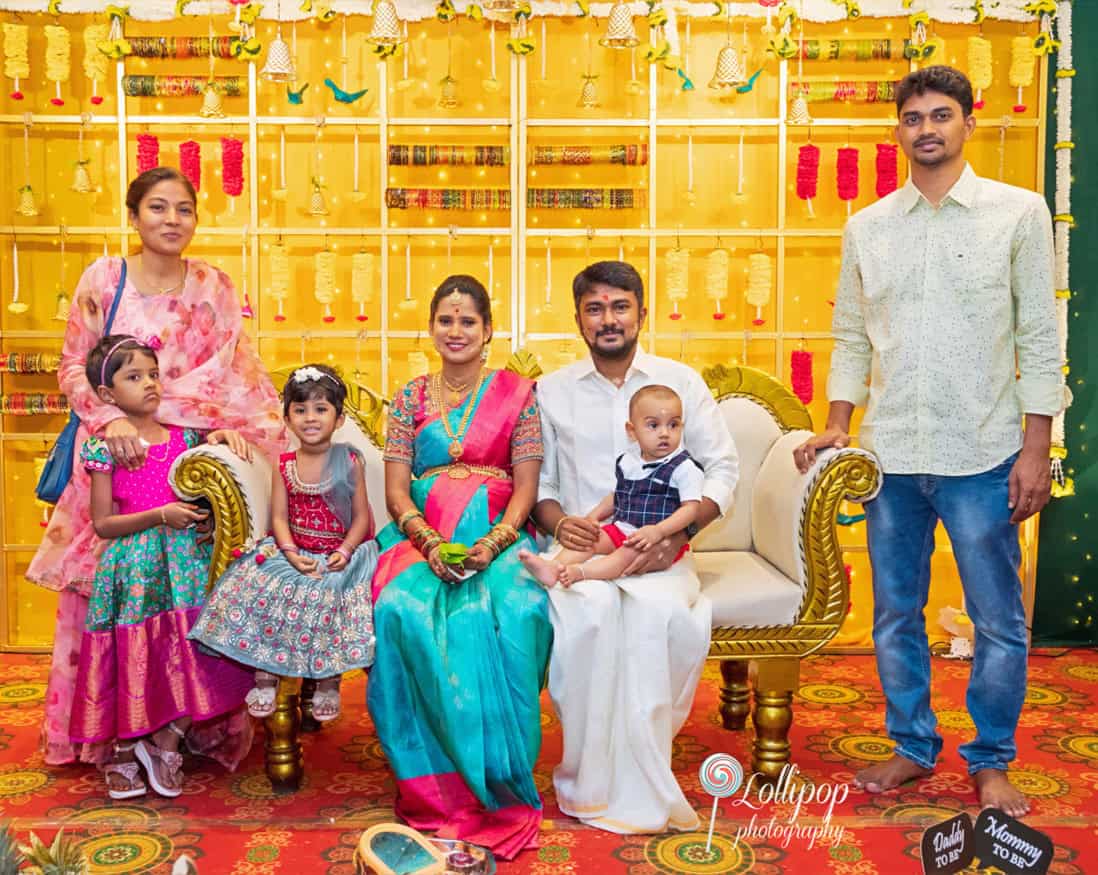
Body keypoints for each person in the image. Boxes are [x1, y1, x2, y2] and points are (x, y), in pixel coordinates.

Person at [793, 66, 1065, 819]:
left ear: (968, 123)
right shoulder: (869, 226)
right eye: (913, 118)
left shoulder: (1018, 213)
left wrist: (1037, 448)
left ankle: (990, 761)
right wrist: (840, 426)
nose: (927, 129)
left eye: (941, 115)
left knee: (999, 619)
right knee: (893, 614)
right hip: (892, 460)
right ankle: (913, 744)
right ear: (899, 130)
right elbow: (849, 335)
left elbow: (1041, 337)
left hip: (983, 452)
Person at [28, 166, 285, 767]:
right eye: (158, 208)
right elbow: (73, 366)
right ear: (134, 215)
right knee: (108, 598)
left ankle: (183, 727)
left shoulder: (215, 286)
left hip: (188, 461)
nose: (172, 220)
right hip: (115, 454)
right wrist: (106, 420)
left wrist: (225, 423)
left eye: (184, 209)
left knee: (189, 596)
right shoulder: (104, 278)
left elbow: (237, 370)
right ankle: (107, 730)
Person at [533, 260, 739, 835]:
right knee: (590, 618)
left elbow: (722, 469)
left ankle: (649, 776)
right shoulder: (551, 392)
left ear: (642, 313)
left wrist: (679, 532)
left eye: (620, 306)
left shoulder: (680, 384)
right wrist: (562, 524)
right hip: (583, 552)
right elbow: (542, 486)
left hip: (664, 553)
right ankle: (589, 783)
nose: (608, 319)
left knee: (662, 616)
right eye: (595, 308)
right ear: (578, 320)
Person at [367, 275, 552, 860]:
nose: (455, 331)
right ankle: (434, 785)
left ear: (488, 330)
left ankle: (500, 777)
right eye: (445, 320)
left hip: (499, 537)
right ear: (430, 328)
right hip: (420, 536)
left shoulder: (518, 395)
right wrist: (426, 542)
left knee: (519, 607)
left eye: (467, 320)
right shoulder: (409, 398)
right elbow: (396, 490)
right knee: (399, 607)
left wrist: (494, 544)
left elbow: (526, 489)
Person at [70, 335, 257, 799]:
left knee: (194, 654)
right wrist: (160, 516)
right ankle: (125, 748)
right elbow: (103, 523)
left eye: (153, 374)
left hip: (188, 570)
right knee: (138, 657)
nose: (150, 384)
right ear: (109, 395)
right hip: (133, 572)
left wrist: (224, 438)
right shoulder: (104, 448)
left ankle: (167, 741)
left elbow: (213, 478)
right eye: (134, 377)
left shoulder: (185, 438)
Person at [190, 364, 378, 723]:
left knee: (329, 595)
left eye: (321, 410)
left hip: (339, 554)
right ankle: (265, 676)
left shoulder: (349, 460)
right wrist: (290, 553)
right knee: (261, 589)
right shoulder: (284, 463)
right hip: (294, 552)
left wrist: (344, 551)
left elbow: (361, 519)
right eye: (301, 410)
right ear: (288, 418)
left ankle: (327, 680)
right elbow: (278, 517)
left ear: (338, 419)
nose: (311, 418)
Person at [520, 384, 702, 587]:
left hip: (657, 540)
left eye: (673, 425)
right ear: (632, 431)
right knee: (589, 541)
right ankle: (552, 566)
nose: (664, 433)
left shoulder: (683, 467)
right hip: (622, 528)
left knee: (625, 555)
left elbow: (691, 510)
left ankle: (579, 572)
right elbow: (619, 496)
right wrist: (594, 516)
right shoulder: (629, 461)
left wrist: (659, 531)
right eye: (653, 425)